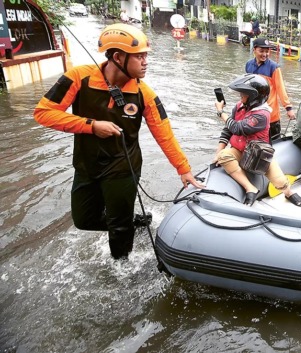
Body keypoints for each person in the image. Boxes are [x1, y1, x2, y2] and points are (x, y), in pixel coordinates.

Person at [33, 24, 203, 260]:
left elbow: (164, 134)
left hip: (123, 167)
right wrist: (91, 126)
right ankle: (131, 221)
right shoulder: (78, 77)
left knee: (119, 229)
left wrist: (183, 169)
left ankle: (121, 266)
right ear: (118, 57)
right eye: (139, 56)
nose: (146, 62)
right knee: (84, 220)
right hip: (86, 164)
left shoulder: (145, 94)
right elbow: (43, 112)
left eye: (146, 56)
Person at [214, 75, 301, 207]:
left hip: (259, 154)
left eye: (243, 94)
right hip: (240, 150)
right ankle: (250, 188)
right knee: (223, 156)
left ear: (253, 96)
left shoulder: (262, 114)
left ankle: (288, 193)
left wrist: (220, 112)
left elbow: (237, 128)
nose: (240, 96)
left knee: (280, 182)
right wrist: (218, 152)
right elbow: (228, 129)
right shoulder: (239, 107)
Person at [245, 38, 296, 141]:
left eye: (267, 51)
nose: (265, 54)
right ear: (254, 49)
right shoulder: (248, 65)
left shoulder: (274, 67)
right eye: (261, 51)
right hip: (254, 112)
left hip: (271, 115)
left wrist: (288, 108)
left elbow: (280, 88)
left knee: (273, 144)